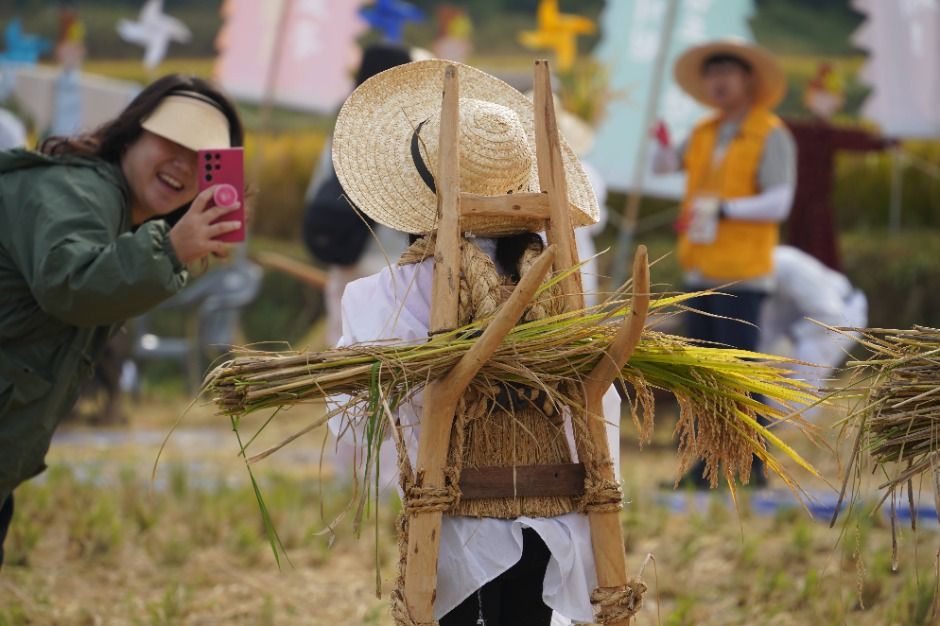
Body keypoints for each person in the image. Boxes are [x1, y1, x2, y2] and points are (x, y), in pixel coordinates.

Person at [330, 60, 620, 625]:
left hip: (448, 507)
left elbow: (354, 417)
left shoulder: (384, 295)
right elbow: (596, 405)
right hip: (553, 508)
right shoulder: (562, 287)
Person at [0, 74, 244, 566]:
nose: (182, 161)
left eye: (203, 157)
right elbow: (70, 283)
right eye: (169, 139)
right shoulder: (76, 191)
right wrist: (170, 250)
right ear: (131, 134)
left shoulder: (112, 207)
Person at [653, 39, 796, 487]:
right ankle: (707, 465)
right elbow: (664, 167)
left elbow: (780, 201)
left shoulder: (770, 133)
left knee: (739, 373)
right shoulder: (703, 133)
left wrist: (726, 210)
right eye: (712, 73)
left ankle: (752, 465)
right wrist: (658, 143)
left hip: (744, 274)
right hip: (701, 271)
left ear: (748, 80)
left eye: (727, 72)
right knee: (703, 375)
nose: (718, 81)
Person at [302, 42, 417, 346]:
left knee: (346, 371)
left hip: (347, 266)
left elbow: (316, 194)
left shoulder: (343, 132)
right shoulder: (418, 138)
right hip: (405, 272)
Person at [783, 62, 895, 271]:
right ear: (809, 98)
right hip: (799, 201)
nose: (823, 102)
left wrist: (886, 141)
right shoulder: (800, 130)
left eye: (829, 97)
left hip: (818, 202)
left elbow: (859, 139)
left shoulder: (825, 133)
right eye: (819, 96)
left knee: (818, 249)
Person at [758, 245, 867, 396]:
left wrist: (790, 339)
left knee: (800, 381)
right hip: (806, 320)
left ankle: (795, 418)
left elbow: (829, 314)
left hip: (841, 317)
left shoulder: (786, 265)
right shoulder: (750, 279)